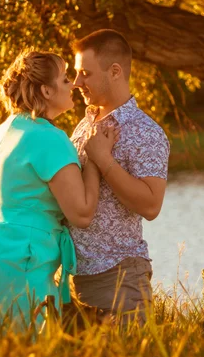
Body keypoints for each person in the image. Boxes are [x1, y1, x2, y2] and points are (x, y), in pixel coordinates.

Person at [0, 50, 118, 331]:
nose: (74, 85)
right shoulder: (49, 139)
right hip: (18, 272)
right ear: (46, 90)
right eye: (65, 79)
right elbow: (81, 214)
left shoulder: (4, 130)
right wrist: (95, 159)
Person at [69, 29, 170, 325]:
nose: (76, 83)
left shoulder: (146, 132)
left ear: (114, 71)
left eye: (84, 73)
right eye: (76, 74)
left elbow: (151, 206)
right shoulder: (82, 126)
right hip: (75, 282)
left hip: (118, 282)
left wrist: (104, 160)